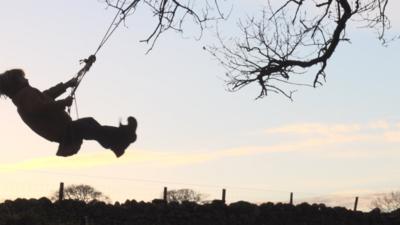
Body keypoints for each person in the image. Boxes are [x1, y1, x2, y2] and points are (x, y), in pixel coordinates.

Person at [0, 69, 137, 157]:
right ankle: (122, 138)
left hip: (64, 131)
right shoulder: (24, 97)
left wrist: (66, 85)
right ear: (16, 82)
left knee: (90, 124)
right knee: (89, 128)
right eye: (22, 77)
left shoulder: (24, 96)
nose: (26, 78)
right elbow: (41, 108)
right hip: (64, 131)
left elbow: (46, 95)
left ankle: (117, 144)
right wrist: (63, 103)